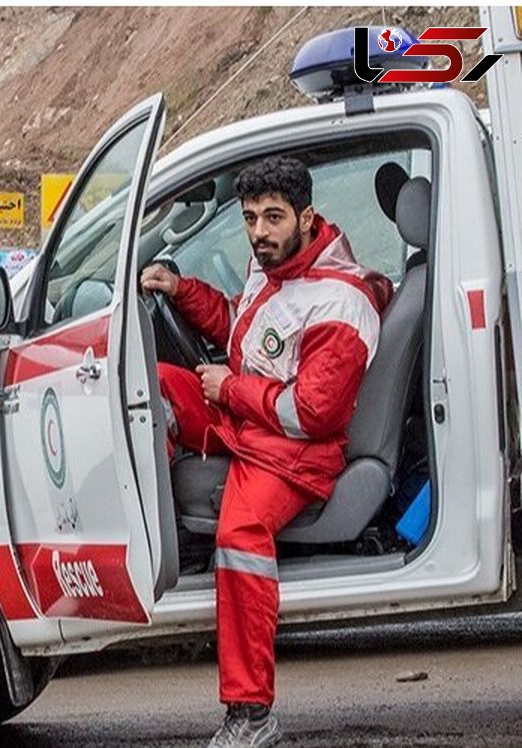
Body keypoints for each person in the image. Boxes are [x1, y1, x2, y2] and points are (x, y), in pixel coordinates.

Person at [140, 156, 393, 748]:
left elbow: (312, 414)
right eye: (250, 217)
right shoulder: (273, 269)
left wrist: (227, 388)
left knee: (239, 539)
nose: (259, 231)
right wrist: (181, 290)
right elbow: (242, 327)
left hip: (295, 453)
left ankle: (252, 714)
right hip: (249, 422)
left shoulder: (338, 302)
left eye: (273, 217)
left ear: (306, 217)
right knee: (144, 386)